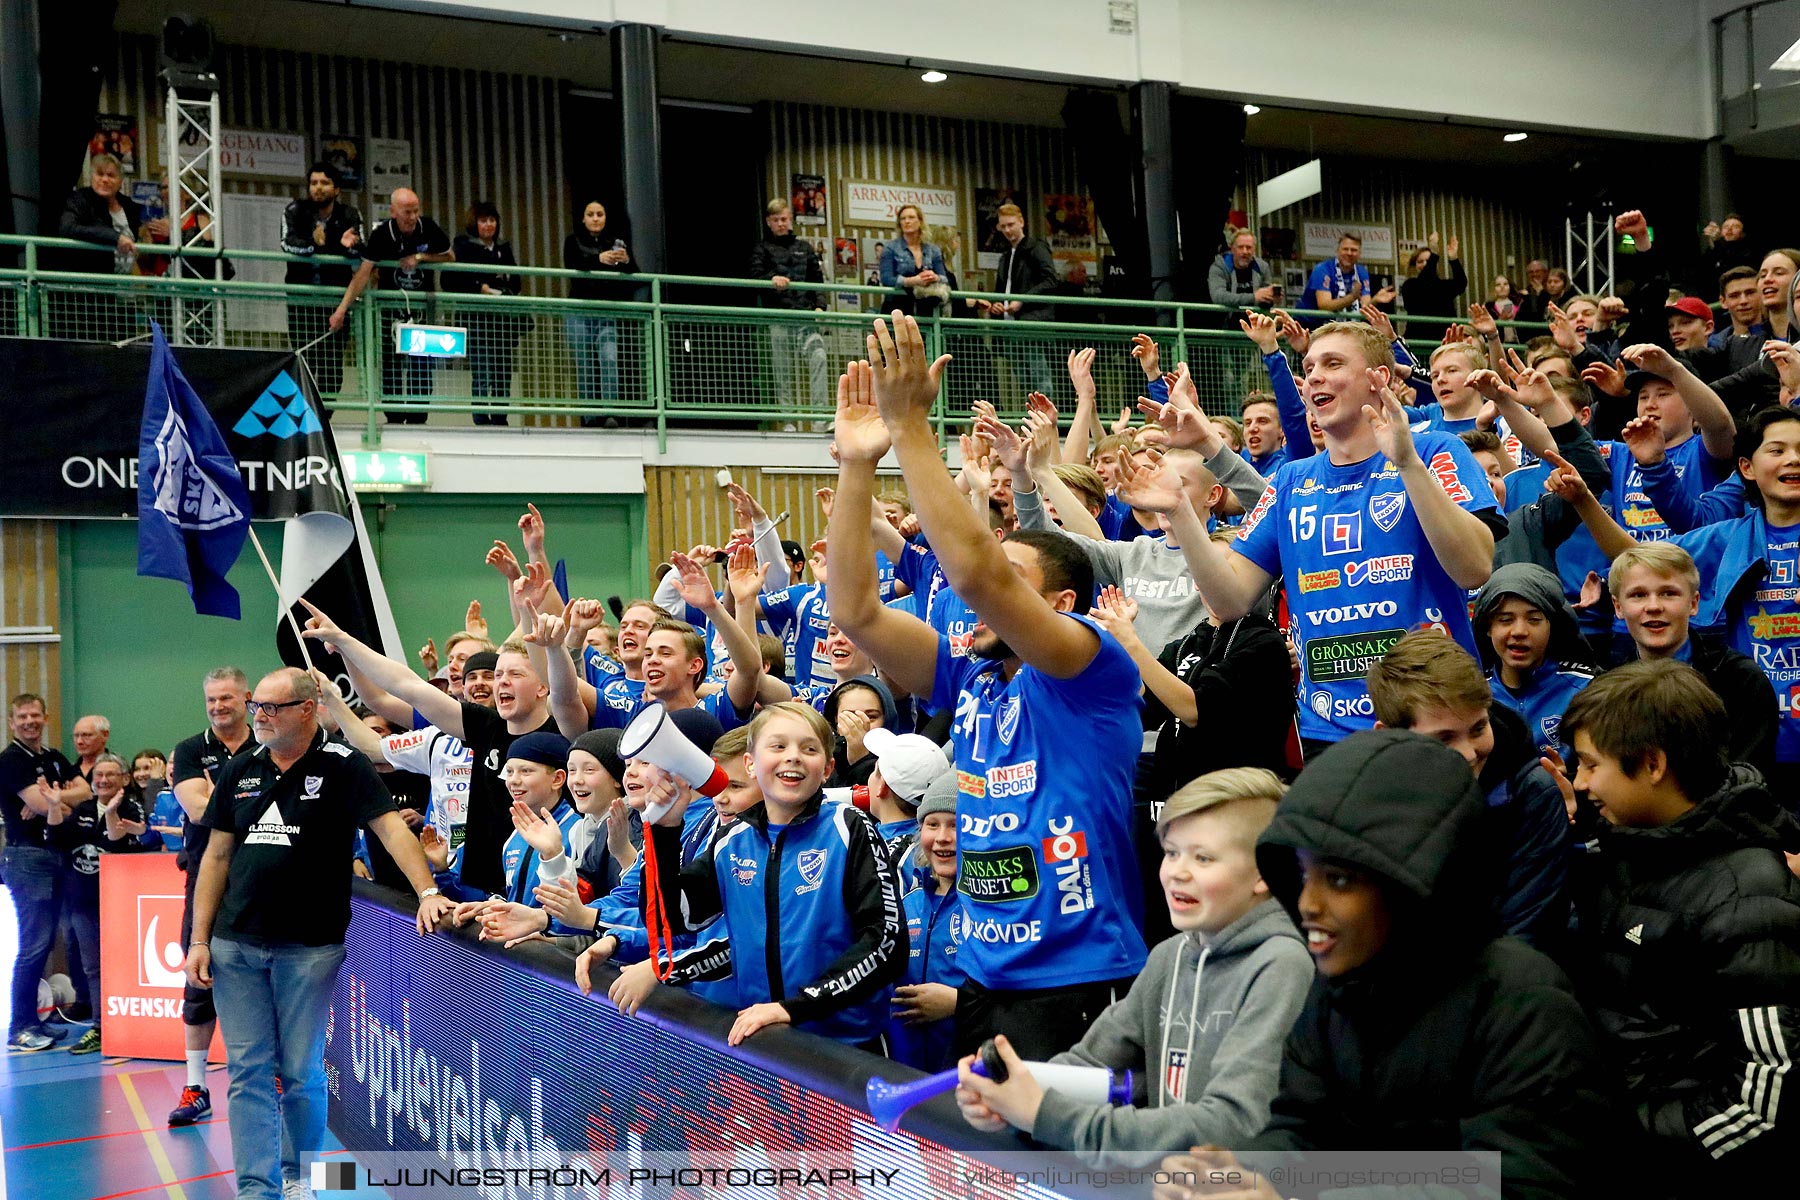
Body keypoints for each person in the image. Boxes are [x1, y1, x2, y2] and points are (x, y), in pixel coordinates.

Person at [829, 320, 1148, 1059]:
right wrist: (855, 467)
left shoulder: (1088, 668)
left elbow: (977, 573)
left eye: (1016, 583)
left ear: (1059, 605)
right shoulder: (971, 675)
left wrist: (911, 429)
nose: (975, 605)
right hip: (980, 972)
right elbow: (856, 611)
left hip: (1075, 978)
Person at [1231, 729, 1628, 1192]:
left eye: (1338, 881)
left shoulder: (1523, 1004)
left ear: (1414, 886)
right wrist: (1243, 1176)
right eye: (1303, 875)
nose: (1306, 904)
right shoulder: (1336, 990)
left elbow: (1515, 1181)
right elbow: (1301, 1129)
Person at [1164, 321, 1500, 755]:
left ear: (1378, 378)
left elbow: (1474, 568)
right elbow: (1228, 601)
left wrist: (1407, 464)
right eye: (1309, 367)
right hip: (1328, 727)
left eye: (1333, 363)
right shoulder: (1290, 481)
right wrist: (1178, 509)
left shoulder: (1436, 451)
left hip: (1439, 718)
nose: (1314, 376)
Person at [184, 668, 453, 1200]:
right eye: (255, 705)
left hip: (309, 947)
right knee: (247, 1071)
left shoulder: (344, 766)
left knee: (302, 1069)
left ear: (306, 710)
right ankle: (257, 1189)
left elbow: (390, 829)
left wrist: (427, 891)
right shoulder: (241, 769)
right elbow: (215, 857)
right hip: (235, 944)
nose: (257, 715)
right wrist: (198, 940)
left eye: (270, 707)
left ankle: (297, 1174)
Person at [955, 768, 1312, 1166]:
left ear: (1264, 874)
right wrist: (1006, 1097)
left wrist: (1044, 1115)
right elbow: (1089, 1066)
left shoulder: (1283, 965)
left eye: (1203, 857)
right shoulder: (1170, 956)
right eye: (1172, 852)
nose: (1177, 871)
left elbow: (1231, 1125)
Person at [1562, 660, 1800, 1191]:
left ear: (1651, 765)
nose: (1579, 781)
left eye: (1588, 764)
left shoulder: (1749, 897)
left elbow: (1761, 1099)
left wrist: (1623, 1141)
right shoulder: (1625, 845)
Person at [613, 702, 907, 1049]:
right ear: (751, 764)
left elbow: (887, 943)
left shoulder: (849, 828)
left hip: (845, 1050)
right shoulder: (732, 840)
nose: (793, 757)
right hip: (763, 1041)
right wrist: (665, 830)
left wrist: (794, 1008)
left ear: (827, 768)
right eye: (778, 746)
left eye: (809, 748)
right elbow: (672, 918)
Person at [1551, 405, 1800, 794]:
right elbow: (1638, 559)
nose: (1794, 460)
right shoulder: (1726, 537)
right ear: (1747, 468)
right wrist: (1585, 501)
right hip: (1757, 731)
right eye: (1778, 450)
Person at [1366, 631, 1574, 947]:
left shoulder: (1531, 793)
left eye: (1478, 728)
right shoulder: (1367, 800)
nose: (1468, 753)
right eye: (1444, 739)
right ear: (1388, 735)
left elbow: (1529, 933)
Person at [165, 668, 253, 1121]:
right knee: (198, 981)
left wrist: (220, 792)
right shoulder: (190, 750)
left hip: (262, 879)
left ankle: (272, 1076)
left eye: (226, 699)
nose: (218, 707)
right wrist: (254, 799)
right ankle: (195, 1087)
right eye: (211, 700)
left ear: (247, 698)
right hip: (205, 878)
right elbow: (198, 810)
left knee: (267, 980)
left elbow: (213, 801)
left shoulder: (267, 745)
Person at [1607, 542, 1777, 775]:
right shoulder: (1607, 689)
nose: (1654, 606)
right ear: (1618, 607)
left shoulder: (1741, 680)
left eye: (1669, 593)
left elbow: (1748, 781)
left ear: (1694, 603)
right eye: (1638, 595)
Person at [3, 693, 91, 1051]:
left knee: (43, 944)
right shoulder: (10, 761)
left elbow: (84, 791)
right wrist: (51, 801)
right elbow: (42, 805)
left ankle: (33, 1022)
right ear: (12, 723)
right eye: (22, 717)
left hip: (54, 855)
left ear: (45, 717)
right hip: (27, 859)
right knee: (33, 945)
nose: (29, 722)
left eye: (35, 715)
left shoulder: (52, 758)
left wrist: (56, 800)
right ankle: (19, 1027)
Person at [328, 188, 454, 424]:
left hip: (421, 308)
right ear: (393, 212)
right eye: (407, 212)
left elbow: (449, 256)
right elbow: (362, 275)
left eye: (416, 211)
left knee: (421, 361)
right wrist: (341, 309)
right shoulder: (381, 235)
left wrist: (420, 257)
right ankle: (394, 416)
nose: (412, 216)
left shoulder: (428, 228)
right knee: (391, 360)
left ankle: (418, 416)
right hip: (390, 309)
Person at [884, 768, 964, 1071]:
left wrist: (958, 1003)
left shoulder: (990, 910)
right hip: (907, 1070)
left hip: (966, 1077)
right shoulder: (906, 904)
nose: (943, 838)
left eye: (956, 825)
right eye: (932, 824)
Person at [1471, 563, 1598, 749]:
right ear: (1488, 628)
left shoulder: (1587, 689)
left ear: (1552, 626)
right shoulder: (1473, 694)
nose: (1519, 632)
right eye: (1505, 620)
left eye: (1534, 620)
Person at [281, 162, 363, 399]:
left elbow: (360, 248)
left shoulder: (350, 215)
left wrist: (346, 244)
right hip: (302, 302)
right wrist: (314, 243)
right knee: (303, 360)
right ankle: (303, 418)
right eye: (314, 183)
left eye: (325, 183)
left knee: (332, 367)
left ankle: (325, 417)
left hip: (335, 302)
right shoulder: (294, 210)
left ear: (337, 189)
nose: (318, 188)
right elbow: (287, 243)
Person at [446, 200, 524, 425]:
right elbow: (452, 279)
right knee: (482, 369)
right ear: (474, 223)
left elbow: (516, 280)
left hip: (502, 319)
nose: (489, 225)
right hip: (477, 317)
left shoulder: (503, 248)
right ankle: (480, 417)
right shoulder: (463, 245)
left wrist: (502, 284)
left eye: (492, 220)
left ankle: (501, 418)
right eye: (483, 220)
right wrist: (480, 287)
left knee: (502, 371)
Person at [53, 153, 143, 340]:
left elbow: (139, 238)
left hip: (124, 295)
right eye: (100, 174)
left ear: (120, 180)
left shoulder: (130, 206)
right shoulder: (80, 200)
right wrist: (115, 237)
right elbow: (68, 228)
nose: (104, 180)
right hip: (90, 296)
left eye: (111, 175)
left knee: (122, 348)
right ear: (91, 176)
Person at [750, 198, 829, 410]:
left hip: (805, 314)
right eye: (776, 220)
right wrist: (771, 279)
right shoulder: (762, 249)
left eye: (784, 219)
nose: (781, 223)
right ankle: (787, 419)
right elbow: (754, 278)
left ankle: (821, 417)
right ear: (768, 222)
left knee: (819, 356)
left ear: (790, 219)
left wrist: (820, 305)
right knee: (782, 368)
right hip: (779, 315)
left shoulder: (804, 248)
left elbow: (817, 281)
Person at [563, 200, 635, 427]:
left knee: (609, 357)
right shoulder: (573, 241)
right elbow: (573, 263)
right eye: (591, 214)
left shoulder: (615, 243)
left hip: (607, 311)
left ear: (605, 218)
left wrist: (626, 261)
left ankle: (610, 411)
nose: (595, 218)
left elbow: (635, 275)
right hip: (579, 312)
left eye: (600, 214)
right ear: (583, 219)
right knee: (585, 363)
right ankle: (590, 417)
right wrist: (598, 259)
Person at [975, 203, 1058, 397]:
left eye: (1011, 225)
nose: (1007, 230)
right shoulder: (1005, 257)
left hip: (1031, 323)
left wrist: (1022, 300)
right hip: (1011, 325)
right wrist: (997, 304)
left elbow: (1051, 280)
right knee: (1024, 380)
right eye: (1003, 226)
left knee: (1040, 378)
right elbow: (1002, 289)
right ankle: (1034, 422)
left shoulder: (1036, 247)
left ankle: (1045, 422)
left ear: (1022, 222)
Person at [878, 203, 950, 318]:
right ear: (899, 224)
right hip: (897, 306)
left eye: (911, 217)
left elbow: (945, 278)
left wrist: (934, 277)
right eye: (903, 218)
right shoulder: (890, 248)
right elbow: (886, 279)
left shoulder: (933, 250)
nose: (907, 221)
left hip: (926, 310)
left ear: (920, 221)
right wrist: (913, 281)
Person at [1399, 234, 1468, 344]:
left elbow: (1461, 283)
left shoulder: (1442, 286)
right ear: (1414, 265)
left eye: (1428, 260)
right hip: (1419, 342)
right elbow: (1425, 283)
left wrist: (1454, 259)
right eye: (1420, 261)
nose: (1425, 264)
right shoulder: (1410, 285)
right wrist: (1434, 255)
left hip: (1444, 341)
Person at [1306, 232, 1392, 316]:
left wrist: (1375, 300)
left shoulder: (1361, 272)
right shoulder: (1323, 269)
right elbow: (1324, 306)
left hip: (1339, 326)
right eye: (1345, 249)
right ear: (1338, 251)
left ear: (1359, 254)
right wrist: (1352, 297)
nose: (1349, 253)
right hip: (1309, 324)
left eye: (1354, 250)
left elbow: (1364, 307)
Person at [1206, 229, 1275, 312]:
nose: (1245, 251)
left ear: (1254, 250)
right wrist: (1253, 297)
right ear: (1232, 249)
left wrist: (1272, 298)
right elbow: (1218, 296)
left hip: (1254, 321)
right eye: (1240, 247)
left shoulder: (1262, 267)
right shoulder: (1220, 267)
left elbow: (1263, 301)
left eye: (1249, 247)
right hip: (1226, 321)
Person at [71, 714, 111, 783]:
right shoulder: (68, 770)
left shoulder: (117, 768)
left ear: (105, 735)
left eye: (86, 735)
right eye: (76, 736)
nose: (79, 741)